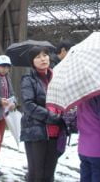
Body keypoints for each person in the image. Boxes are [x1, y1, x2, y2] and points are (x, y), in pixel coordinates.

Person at [20, 46, 64, 182]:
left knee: (49, 174)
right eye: (38, 57)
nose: (43, 59)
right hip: (36, 131)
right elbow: (28, 105)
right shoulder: (28, 79)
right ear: (32, 62)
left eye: (45, 55)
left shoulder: (57, 77)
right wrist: (51, 117)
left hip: (55, 131)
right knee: (36, 174)